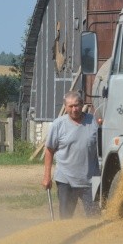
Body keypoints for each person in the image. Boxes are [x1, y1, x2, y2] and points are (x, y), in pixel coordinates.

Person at [42, 90, 101, 219]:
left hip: (92, 180)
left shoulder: (94, 122)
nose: (74, 109)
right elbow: (49, 150)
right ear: (65, 107)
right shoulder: (58, 124)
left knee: (95, 218)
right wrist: (47, 176)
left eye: (77, 105)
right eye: (71, 106)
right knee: (65, 219)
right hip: (66, 180)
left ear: (82, 104)